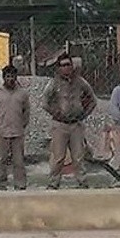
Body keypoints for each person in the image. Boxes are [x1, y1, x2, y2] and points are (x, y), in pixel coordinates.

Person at [41, 54, 98, 190]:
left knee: (78, 156)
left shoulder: (80, 82)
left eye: (68, 64)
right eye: (63, 65)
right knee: (58, 157)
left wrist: (84, 114)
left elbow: (93, 100)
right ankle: (53, 183)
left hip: (76, 124)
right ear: (59, 68)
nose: (66, 67)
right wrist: (55, 113)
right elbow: (44, 103)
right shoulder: (53, 83)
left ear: (72, 66)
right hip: (59, 125)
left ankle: (82, 182)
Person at [0, 65, 31, 191]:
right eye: (8, 76)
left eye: (12, 76)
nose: (10, 79)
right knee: (1, 160)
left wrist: (23, 124)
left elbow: (26, 111)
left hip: (17, 131)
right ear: (4, 77)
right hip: (1, 131)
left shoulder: (23, 93)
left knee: (19, 160)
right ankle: (0, 184)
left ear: (16, 77)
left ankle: (20, 184)